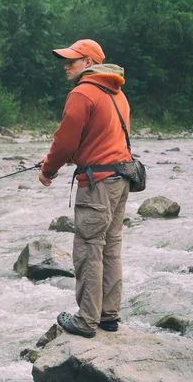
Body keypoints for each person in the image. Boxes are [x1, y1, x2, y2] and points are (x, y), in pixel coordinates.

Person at [38, 39, 132, 338]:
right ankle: (108, 316)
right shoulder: (117, 93)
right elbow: (99, 140)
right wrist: (71, 157)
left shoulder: (82, 92)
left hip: (97, 185)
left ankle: (86, 320)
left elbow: (65, 141)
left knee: (89, 249)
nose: (66, 65)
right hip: (121, 179)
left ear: (88, 63)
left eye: (72, 60)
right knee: (111, 247)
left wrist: (48, 170)